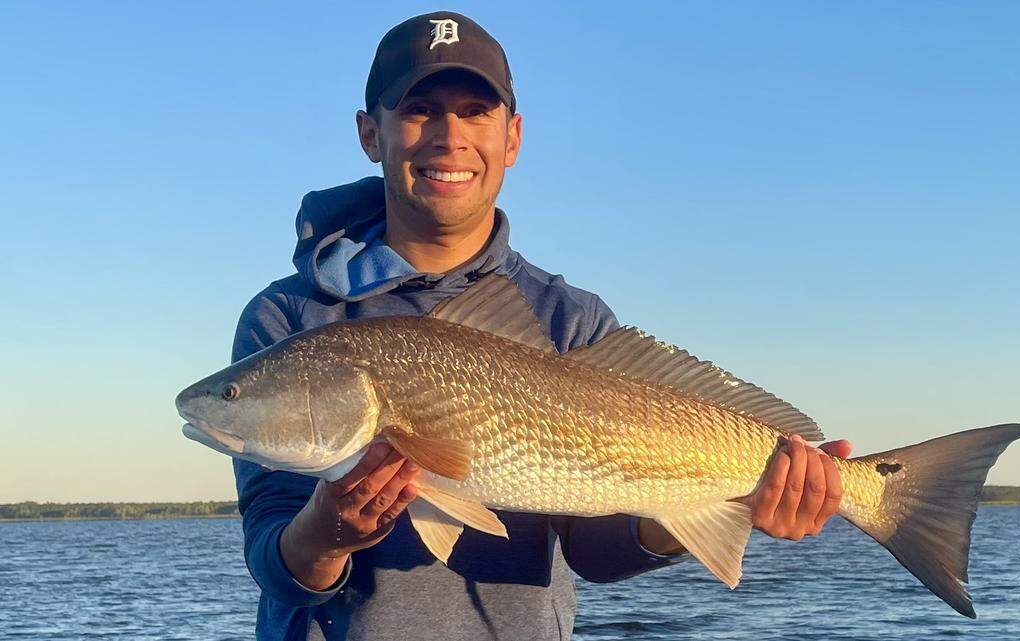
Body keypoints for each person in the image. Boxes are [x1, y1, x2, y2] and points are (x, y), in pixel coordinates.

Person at [230, 11, 853, 641]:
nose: (450, 136)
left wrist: (726, 506)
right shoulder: (290, 319)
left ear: (513, 137)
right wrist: (328, 532)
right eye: (419, 110)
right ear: (371, 133)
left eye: (476, 111)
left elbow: (593, 552)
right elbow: (273, 558)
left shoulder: (570, 319)